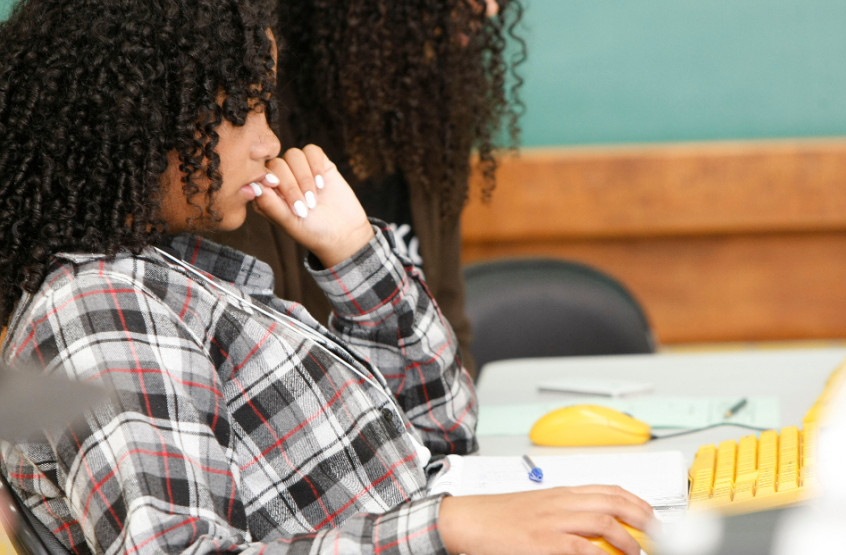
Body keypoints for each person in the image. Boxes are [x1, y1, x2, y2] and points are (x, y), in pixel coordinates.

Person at [0, 1, 653, 554]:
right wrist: (443, 526)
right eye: (245, 113)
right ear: (143, 119)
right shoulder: (99, 310)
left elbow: (444, 432)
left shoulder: (188, 283)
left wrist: (354, 252)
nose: (268, 142)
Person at [216, 0, 526, 378]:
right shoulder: (248, 144)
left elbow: (451, 331)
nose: (491, 9)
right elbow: (260, 371)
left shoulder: (430, 123)